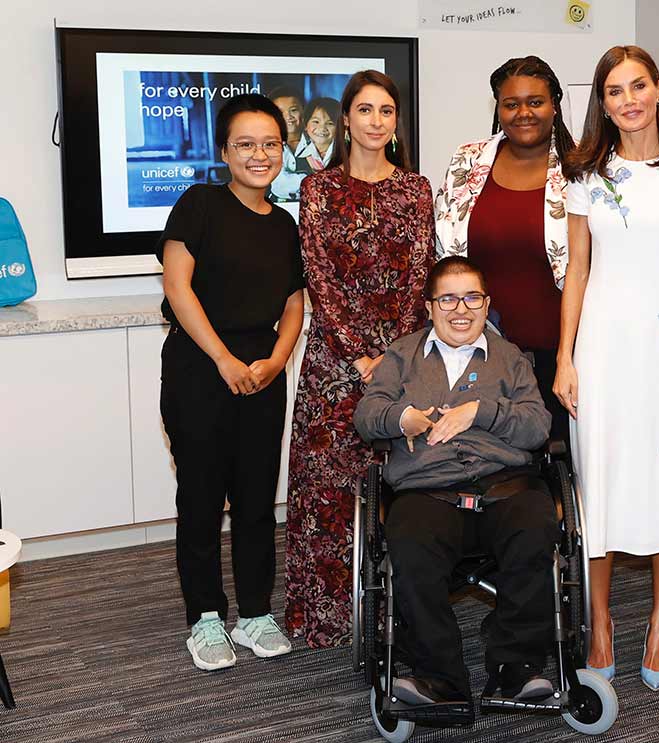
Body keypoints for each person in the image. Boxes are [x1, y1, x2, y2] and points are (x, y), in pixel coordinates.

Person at [554, 45, 659, 692]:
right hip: (602, 345)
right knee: (602, 482)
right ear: (603, 100)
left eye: (638, 85)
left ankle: (658, 622)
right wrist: (565, 356)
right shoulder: (584, 172)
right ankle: (600, 623)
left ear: (657, 89)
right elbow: (577, 270)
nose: (629, 99)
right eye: (615, 90)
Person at [353, 256, 557, 706]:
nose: (459, 308)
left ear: (487, 305)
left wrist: (480, 412)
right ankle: (438, 677)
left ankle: (517, 668)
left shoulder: (511, 358)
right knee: (409, 541)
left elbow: (537, 426)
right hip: (429, 490)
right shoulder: (401, 356)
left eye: (471, 297)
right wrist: (399, 417)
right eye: (447, 298)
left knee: (536, 523)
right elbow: (366, 416)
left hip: (505, 484)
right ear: (429, 306)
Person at [285, 70, 434, 648]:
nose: (376, 120)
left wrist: (390, 357)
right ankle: (322, 615)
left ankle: (394, 610)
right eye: (365, 110)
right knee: (325, 489)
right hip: (331, 362)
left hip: (400, 363)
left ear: (396, 123)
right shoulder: (316, 189)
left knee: (396, 486)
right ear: (345, 119)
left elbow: (418, 274)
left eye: (387, 111)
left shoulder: (415, 190)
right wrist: (357, 354)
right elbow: (318, 277)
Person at [157, 93, 305, 671]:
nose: (259, 154)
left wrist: (276, 358)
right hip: (200, 366)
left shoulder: (286, 223)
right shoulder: (200, 204)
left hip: (263, 370)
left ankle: (256, 613)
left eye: (270, 143)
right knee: (200, 497)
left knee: (254, 498)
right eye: (245, 144)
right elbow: (178, 287)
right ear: (224, 152)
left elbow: (295, 302)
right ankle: (205, 618)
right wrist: (222, 358)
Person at [434, 56, 574, 442]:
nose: (523, 113)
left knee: (555, 468)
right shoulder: (467, 161)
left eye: (535, 101)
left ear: (555, 104)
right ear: (497, 108)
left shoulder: (581, 167)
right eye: (511, 104)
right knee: (482, 463)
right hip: (478, 351)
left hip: (560, 354)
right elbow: (444, 252)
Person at [269, 86, 309, 201]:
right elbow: (280, 185)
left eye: (293, 110)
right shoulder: (267, 146)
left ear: (304, 110)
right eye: (280, 112)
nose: (288, 117)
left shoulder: (317, 140)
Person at [297, 96, 338, 172]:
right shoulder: (297, 155)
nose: (322, 128)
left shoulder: (347, 154)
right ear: (306, 125)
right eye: (316, 122)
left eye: (330, 123)